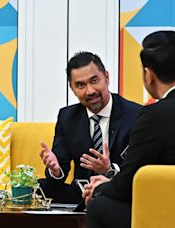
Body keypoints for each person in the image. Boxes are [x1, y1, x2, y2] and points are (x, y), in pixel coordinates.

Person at [83, 31, 175, 228]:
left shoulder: (154, 115)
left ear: (149, 74)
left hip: (174, 216)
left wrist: (99, 188)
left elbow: (129, 183)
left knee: (99, 207)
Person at [39, 52, 141, 203]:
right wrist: (55, 169)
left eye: (94, 81)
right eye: (80, 85)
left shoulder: (135, 115)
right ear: (72, 88)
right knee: (40, 188)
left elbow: (140, 170)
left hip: (118, 190)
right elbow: (60, 172)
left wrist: (109, 170)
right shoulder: (67, 117)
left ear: (106, 77)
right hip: (81, 193)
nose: (90, 91)